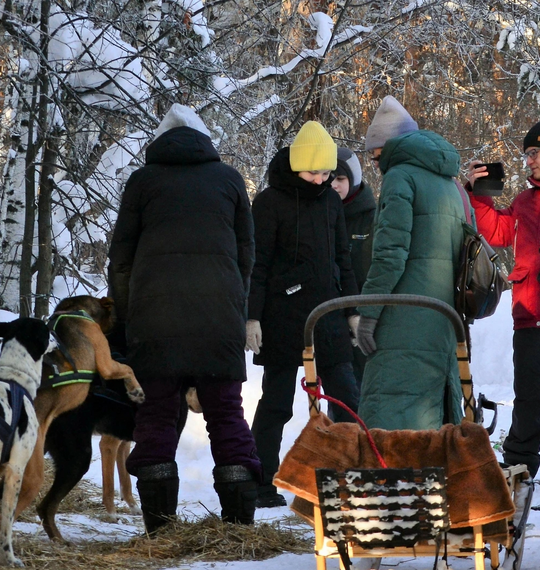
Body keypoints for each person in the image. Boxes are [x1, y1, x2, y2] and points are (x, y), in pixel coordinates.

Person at [108, 103, 262, 533]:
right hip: (220, 322)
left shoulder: (143, 182)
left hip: (153, 322)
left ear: (158, 142)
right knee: (227, 416)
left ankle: (159, 528)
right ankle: (238, 527)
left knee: (155, 418)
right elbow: (246, 257)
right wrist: (233, 306)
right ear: (205, 140)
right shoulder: (230, 180)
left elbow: (120, 260)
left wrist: (126, 318)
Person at [246, 121, 361, 508]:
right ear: (296, 167)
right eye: (314, 172)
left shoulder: (330, 202)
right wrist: (252, 317)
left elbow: (342, 258)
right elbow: (256, 265)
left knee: (346, 395)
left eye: (327, 173)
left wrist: (352, 310)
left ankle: (348, 480)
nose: (321, 180)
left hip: (327, 314)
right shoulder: (268, 203)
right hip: (281, 318)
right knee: (276, 402)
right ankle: (262, 483)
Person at [356, 95, 465, 431]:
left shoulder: (399, 177)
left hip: (404, 316)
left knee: (392, 412)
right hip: (444, 317)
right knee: (436, 413)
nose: (377, 165)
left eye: (376, 156)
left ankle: (391, 483)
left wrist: (369, 312)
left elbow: (390, 254)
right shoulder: (451, 182)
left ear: (388, 148)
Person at [466, 117, 540, 478]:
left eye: (536, 152)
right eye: (527, 154)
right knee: (528, 396)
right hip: (531, 313)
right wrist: (478, 193)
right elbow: (496, 231)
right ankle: (519, 465)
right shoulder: (525, 201)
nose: (529, 160)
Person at [331, 147, 377, 385]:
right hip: (332, 317)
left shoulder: (372, 218)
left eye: (340, 179)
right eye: (329, 178)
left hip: (366, 320)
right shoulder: (322, 216)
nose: (334, 185)